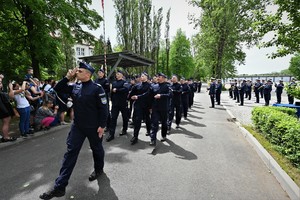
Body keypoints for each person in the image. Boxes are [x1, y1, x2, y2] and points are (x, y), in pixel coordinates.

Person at [39, 62, 108, 200]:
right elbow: (58, 88)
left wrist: (102, 126)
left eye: (80, 71)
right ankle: (59, 187)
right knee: (70, 154)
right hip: (78, 126)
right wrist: (67, 77)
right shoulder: (76, 86)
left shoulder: (97, 88)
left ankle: (99, 169)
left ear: (88, 74)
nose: (76, 72)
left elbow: (104, 109)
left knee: (97, 149)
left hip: (93, 127)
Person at [106, 70, 129, 142]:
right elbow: (112, 92)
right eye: (116, 74)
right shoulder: (114, 83)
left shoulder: (125, 82)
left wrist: (117, 90)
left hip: (123, 103)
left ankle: (124, 129)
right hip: (115, 104)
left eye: (119, 74)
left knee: (125, 117)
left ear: (122, 75)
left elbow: (126, 89)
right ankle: (111, 134)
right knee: (113, 118)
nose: (117, 75)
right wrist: (111, 99)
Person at [128, 72, 151, 145]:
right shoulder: (137, 85)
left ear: (147, 77)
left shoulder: (150, 86)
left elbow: (148, 94)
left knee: (147, 119)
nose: (142, 77)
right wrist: (129, 98)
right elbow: (131, 93)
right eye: (141, 76)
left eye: (144, 76)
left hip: (146, 106)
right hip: (138, 106)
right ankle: (135, 137)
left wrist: (138, 97)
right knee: (137, 121)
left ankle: (149, 131)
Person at [149, 72, 171, 146]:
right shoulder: (154, 86)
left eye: (160, 77)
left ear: (164, 78)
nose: (158, 78)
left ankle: (164, 135)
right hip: (155, 108)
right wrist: (150, 107)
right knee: (154, 123)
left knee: (164, 123)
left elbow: (170, 95)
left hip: (164, 108)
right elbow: (150, 96)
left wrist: (161, 95)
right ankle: (153, 139)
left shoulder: (167, 86)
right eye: (157, 76)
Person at [0, 75, 16, 142]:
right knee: (6, 121)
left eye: (1, 82)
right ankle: (6, 137)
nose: (1, 84)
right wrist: (11, 88)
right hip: (2, 107)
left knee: (6, 121)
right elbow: (11, 96)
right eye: (0, 82)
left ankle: (5, 136)